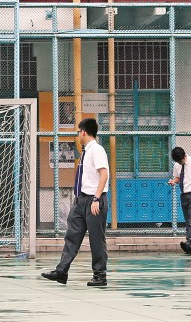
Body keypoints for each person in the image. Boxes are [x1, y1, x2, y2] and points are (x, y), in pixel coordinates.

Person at [41, 117, 109, 287]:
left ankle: (100, 275)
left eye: (79, 132)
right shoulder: (86, 151)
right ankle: (62, 271)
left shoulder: (97, 150)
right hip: (81, 200)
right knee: (72, 235)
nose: (78, 135)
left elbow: (104, 175)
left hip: (94, 200)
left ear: (84, 132)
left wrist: (96, 198)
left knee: (96, 239)